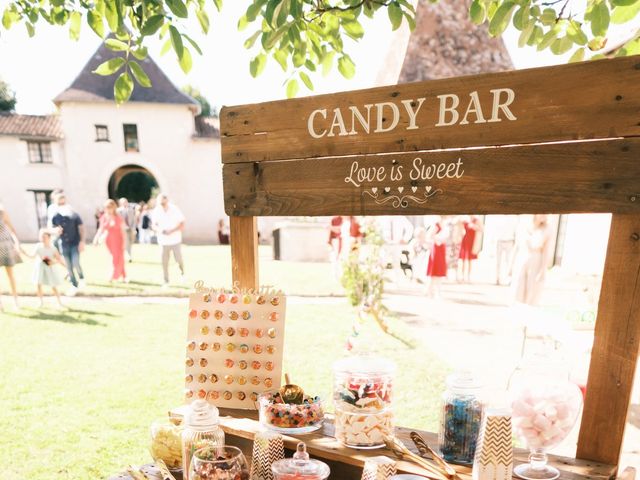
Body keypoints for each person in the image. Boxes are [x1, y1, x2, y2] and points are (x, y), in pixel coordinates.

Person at [514, 214, 553, 306]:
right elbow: (516, 246)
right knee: (518, 285)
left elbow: (546, 251)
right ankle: (517, 313)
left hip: (536, 258)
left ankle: (526, 315)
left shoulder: (547, 229)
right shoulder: (523, 225)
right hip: (522, 256)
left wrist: (543, 270)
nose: (545, 215)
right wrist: (510, 267)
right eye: (542, 212)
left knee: (532, 288)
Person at [51, 193, 86, 296]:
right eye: (59, 203)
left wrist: (82, 242)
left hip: (75, 243)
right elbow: (52, 228)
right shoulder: (55, 216)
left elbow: (81, 228)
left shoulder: (74, 214)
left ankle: (82, 277)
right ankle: (74, 284)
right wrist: (56, 230)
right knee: (68, 266)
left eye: (63, 202)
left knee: (75, 262)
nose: (62, 204)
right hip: (63, 244)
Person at [152, 193, 185, 287]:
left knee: (179, 259)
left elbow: (182, 223)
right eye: (160, 202)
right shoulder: (156, 210)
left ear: (167, 200)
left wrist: (172, 230)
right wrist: (160, 230)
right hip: (163, 241)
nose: (162, 203)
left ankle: (182, 274)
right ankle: (166, 280)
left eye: (163, 201)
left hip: (175, 240)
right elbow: (154, 225)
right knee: (164, 262)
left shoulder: (174, 209)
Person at [94, 199, 127, 283]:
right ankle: (123, 276)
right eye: (106, 207)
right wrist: (96, 238)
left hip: (119, 240)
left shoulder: (118, 217)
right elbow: (100, 229)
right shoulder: (103, 217)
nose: (108, 209)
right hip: (109, 241)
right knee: (116, 258)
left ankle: (113, 276)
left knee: (118, 258)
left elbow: (123, 231)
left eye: (110, 207)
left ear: (114, 208)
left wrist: (125, 242)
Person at [29, 229, 64, 307]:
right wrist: (22, 251)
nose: (43, 239)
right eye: (42, 237)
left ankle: (59, 302)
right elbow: (32, 256)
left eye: (44, 237)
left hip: (49, 268)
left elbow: (58, 259)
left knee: (53, 285)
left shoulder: (53, 248)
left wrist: (52, 262)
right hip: (40, 268)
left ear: (49, 238)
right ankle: (40, 302)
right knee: (38, 284)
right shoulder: (38, 246)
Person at [0, 204, 21, 311]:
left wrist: (17, 244)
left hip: (6, 246)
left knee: (10, 275)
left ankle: (15, 301)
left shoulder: (3, 213)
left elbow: (12, 229)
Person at [426, 216, 448, 298]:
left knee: (439, 272)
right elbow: (429, 236)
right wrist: (439, 238)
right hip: (436, 249)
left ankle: (436, 291)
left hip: (441, 248)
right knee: (434, 271)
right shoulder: (436, 225)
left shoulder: (445, 225)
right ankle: (430, 291)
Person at [457, 215, 483, 283]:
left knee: (469, 260)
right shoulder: (464, 219)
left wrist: (473, 226)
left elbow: (481, 229)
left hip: (472, 241)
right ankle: (462, 276)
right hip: (464, 240)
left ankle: (468, 277)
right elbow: (458, 224)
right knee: (462, 259)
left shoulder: (476, 220)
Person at [494, 215, 519, 285]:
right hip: (499, 240)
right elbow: (495, 228)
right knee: (498, 261)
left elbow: (516, 230)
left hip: (510, 240)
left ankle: (508, 279)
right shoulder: (499, 217)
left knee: (509, 261)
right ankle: (497, 278)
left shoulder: (514, 218)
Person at [117, 198, 136, 262]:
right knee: (126, 242)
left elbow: (133, 220)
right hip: (123, 229)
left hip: (130, 229)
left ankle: (128, 254)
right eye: (124, 202)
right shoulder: (118, 211)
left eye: (126, 201)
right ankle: (128, 256)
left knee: (130, 242)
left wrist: (134, 229)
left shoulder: (131, 210)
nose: (125, 203)